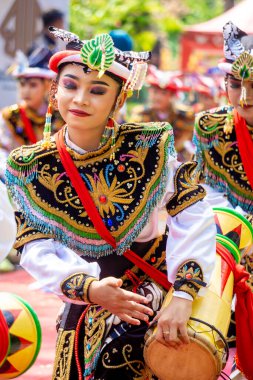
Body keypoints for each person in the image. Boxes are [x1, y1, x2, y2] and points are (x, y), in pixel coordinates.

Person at [5, 27, 216, 380]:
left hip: (155, 309)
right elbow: (35, 247)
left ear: (119, 100)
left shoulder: (147, 149)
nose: (81, 99)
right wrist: (90, 289)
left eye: (98, 90)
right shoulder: (32, 166)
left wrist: (182, 295)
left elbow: (192, 214)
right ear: (56, 90)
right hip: (86, 307)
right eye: (71, 85)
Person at [193, 21, 253, 379]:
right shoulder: (211, 127)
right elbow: (206, 195)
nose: (244, 97)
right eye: (235, 84)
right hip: (232, 241)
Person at [0, 49, 64, 181]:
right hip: (16, 181)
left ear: (47, 86)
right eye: (22, 84)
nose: (26, 91)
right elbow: (2, 153)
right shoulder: (10, 116)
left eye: (33, 85)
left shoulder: (60, 115)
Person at [131, 65, 197, 162]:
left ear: (172, 96)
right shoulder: (140, 114)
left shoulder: (186, 116)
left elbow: (185, 142)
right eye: (154, 92)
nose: (157, 97)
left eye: (163, 93)